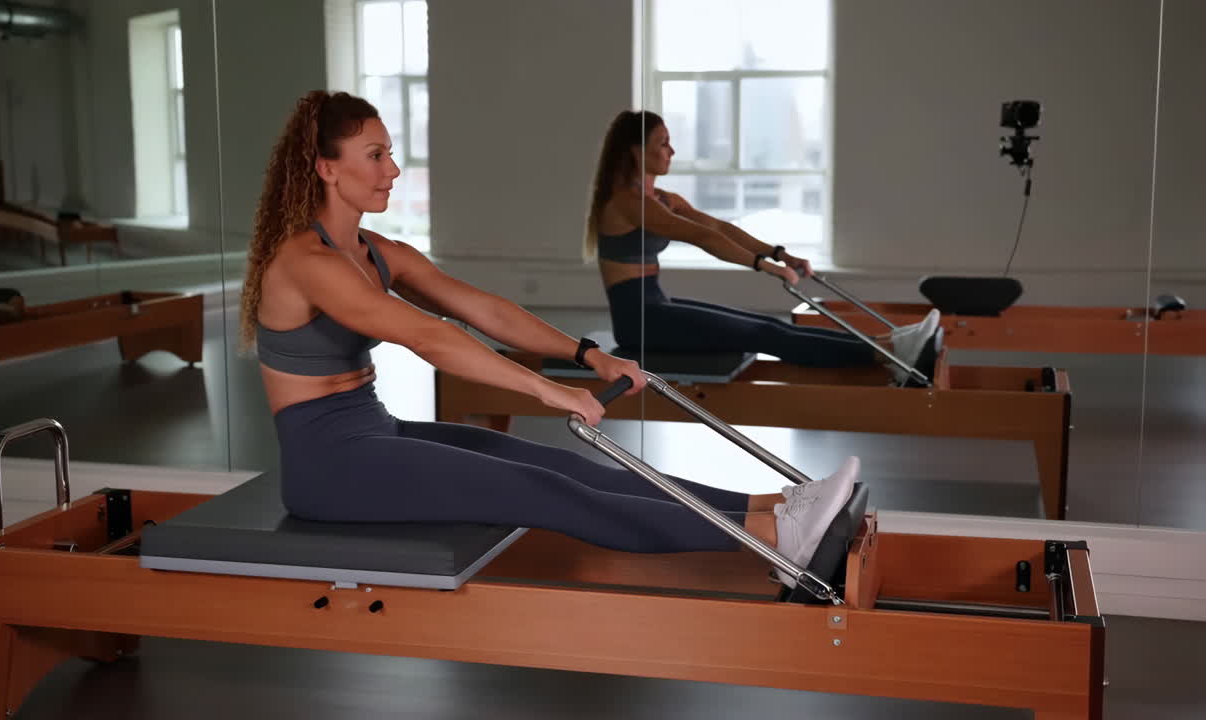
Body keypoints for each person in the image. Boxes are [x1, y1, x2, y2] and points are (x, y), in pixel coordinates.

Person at [239, 91, 855, 587]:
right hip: (330, 467)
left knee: (564, 464)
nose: (393, 169)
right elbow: (428, 337)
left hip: (377, 432)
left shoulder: (378, 251)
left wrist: (585, 355)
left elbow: (486, 311)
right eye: (375, 155)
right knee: (548, 491)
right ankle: (776, 542)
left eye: (391, 153)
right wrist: (545, 390)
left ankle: (771, 510)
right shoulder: (305, 263)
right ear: (326, 167)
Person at [585, 110, 942, 386]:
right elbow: (702, 238)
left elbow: (719, 227)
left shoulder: (661, 198)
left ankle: (887, 343)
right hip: (641, 324)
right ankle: (890, 355)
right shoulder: (627, 204)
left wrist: (779, 254)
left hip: (657, 307)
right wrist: (762, 266)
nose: (672, 151)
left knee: (768, 325)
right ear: (636, 150)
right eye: (663, 142)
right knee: (765, 335)